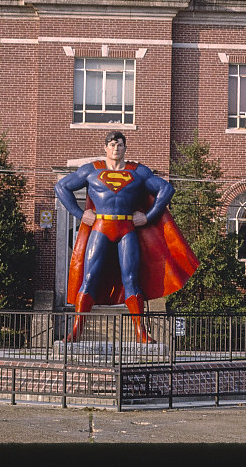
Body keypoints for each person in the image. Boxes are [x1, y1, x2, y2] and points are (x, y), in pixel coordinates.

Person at [55, 131, 198, 343]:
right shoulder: (92, 170)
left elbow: (166, 189)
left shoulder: (137, 171)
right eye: (112, 144)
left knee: (131, 278)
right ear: (105, 148)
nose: (116, 149)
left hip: (126, 229)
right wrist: (79, 213)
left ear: (125, 148)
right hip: (101, 227)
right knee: (89, 277)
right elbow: (61, 186)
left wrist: (148, 217)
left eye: (120, 145)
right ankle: (76, 330)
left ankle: (141, 332)